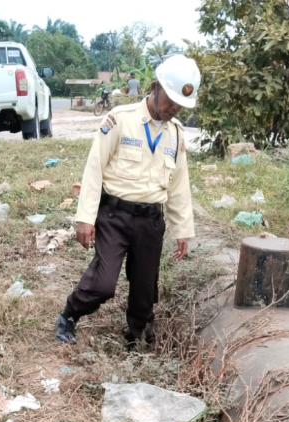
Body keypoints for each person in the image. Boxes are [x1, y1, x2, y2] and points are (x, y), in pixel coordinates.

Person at [54, 54, 201, 347]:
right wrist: (84, 218)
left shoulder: (175, 134)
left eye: (180, 105)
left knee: (145, 286)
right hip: (114, 216)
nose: (174, 109)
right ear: (155, 87)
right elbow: (95, 167)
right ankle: (69, 314)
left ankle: (137, 334)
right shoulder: (121, 119)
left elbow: (179, 185)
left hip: (151, 221)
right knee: (103, 283)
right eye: (170, 100)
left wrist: (183, 230)